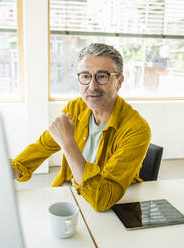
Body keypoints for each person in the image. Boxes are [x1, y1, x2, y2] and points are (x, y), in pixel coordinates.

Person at [11, 43, 151, 212]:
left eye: (102, 76)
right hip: (68, 196)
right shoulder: (75, 108)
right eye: (85, 76)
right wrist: (11, 170)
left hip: (108, 210)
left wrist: (68, 144)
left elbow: (102, 200)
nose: (92, 86)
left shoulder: (136, 129)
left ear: (119, 82)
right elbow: (42, 147)